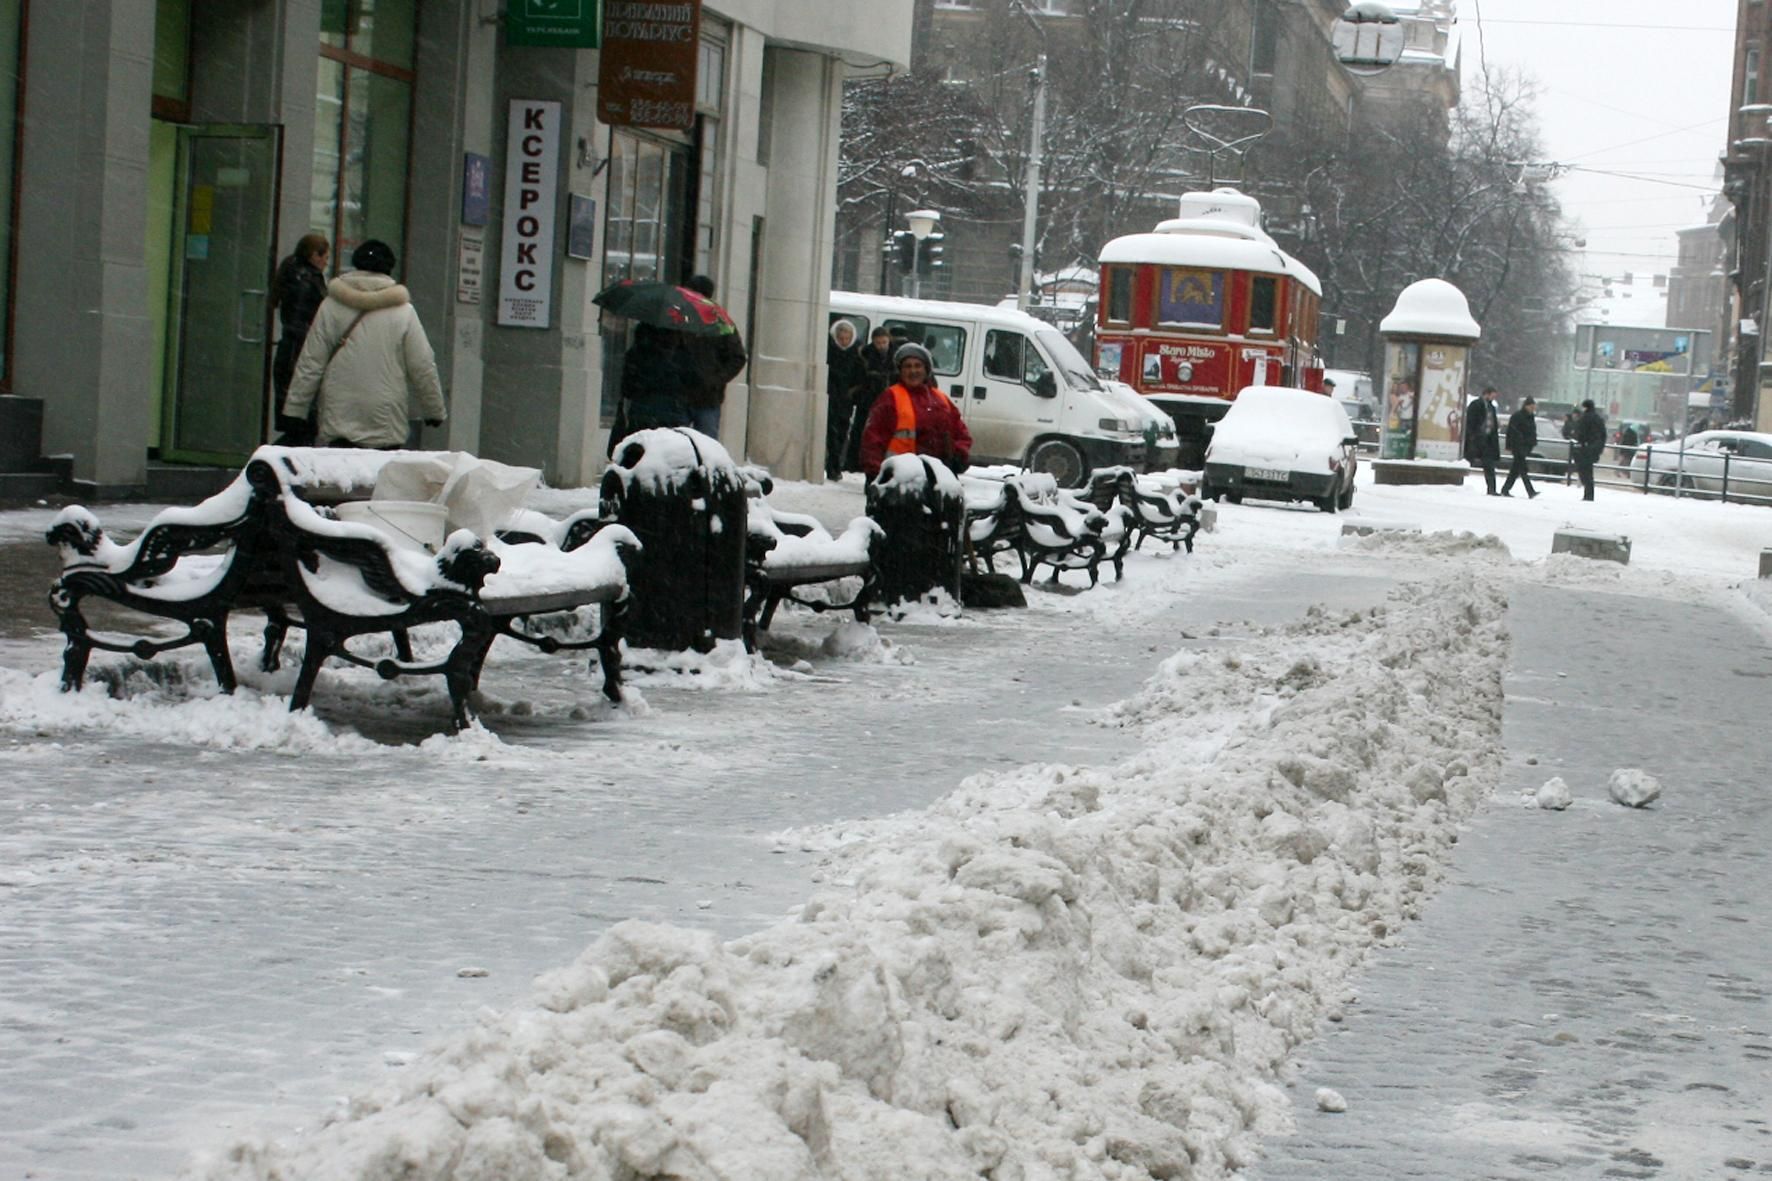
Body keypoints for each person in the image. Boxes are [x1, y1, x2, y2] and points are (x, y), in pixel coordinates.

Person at [280, 239, 443, 450]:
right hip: (384, 412)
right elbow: (422, 364)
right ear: (389, 268)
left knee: (342, 476)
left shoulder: (331, 306)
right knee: (381, 478)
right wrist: (433, 409)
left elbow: (311, 361)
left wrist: (295, 410)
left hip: (340, 407)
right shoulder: (403, 312)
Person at [859, 342, 971, 477]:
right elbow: (873, 438)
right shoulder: (890, 398)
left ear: (926, 370)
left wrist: (959, 455)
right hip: (899, 479)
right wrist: (874, 472)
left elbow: (961, 433)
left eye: (918, 366)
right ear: (900, 371)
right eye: (907, 366)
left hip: (938, 478)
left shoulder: (941, 399)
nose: (913, 371)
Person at [270, 233, 330, 436]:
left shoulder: (294, 273)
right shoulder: (306, 281)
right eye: (325, 257)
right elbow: (300, 321)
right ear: (314, 256)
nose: (326, 263)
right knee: (301, 425)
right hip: (299, 355)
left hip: (291, 353)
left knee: (296, 425)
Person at [681, 275, 748, 438]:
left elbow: (737, 357)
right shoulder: (682, 318)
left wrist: (714, 380)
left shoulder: (718, 322)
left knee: (702, 442)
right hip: (688, 393)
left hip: (704, 395)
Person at [618, 323, 698, 434]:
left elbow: (627, 388)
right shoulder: (682, 357)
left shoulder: (638, 353)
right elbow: (690, 384)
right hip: (666, 413)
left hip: (645, 411)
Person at [845, 325, 896, 471]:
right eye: (878, 343)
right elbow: (858, 377)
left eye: (884, 342)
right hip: (868, 399)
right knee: (861, 431)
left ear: (889, 341)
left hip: (888, 400)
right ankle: (854, 462)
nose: (881, 346)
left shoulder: (896, 356)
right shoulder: (865, 355)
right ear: (873, 341)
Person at [824, 319, 865, 480]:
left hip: (846, 400)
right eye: (840, 337)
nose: (843, 341)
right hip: (830, 396)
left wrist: (852, 392)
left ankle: (836, 464)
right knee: (831, 433)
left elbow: (861, 377)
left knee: (841, 433)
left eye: (846, 338)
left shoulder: (856, 353)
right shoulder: (828, 350)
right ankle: (832, 465)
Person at [1463, 385, 1502, 495]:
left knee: (1489, 465)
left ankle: (1492, 489)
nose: (1494, 398)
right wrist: (1472, 435)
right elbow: (1470, 421)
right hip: (1477, 440)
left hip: (1487, 441)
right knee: (1467, 461)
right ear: (1487, 394)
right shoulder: (1476, 405)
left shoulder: (1491, 407)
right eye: (1493, 395)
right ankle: (1458, 483)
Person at [1500, 395, 1540, 499]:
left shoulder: (1530, 417)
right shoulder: (1517, 416)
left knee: (1515, 470)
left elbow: (1532, 431)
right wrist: (1509, 445)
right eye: (1531, 406)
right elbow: (1511, 432)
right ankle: (1530, 491)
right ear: (1526, 406)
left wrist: (1532, 442)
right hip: (1518, 446)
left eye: (1534, 407)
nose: (1533, 408)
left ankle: (1505, 489)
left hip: (1526, 446)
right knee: (1523, 469)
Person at [1574, 398, 1607, 501]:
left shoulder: (1585, 418)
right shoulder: (1598, 418)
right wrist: (1599, 447)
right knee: (1589, 472)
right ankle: (1589, 494)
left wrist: (1579, 440)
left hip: (1586, 448)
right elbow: (1603, 434)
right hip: (1595, 448)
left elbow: (1581, 434)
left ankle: (1588, 495)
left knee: (1584, 471)